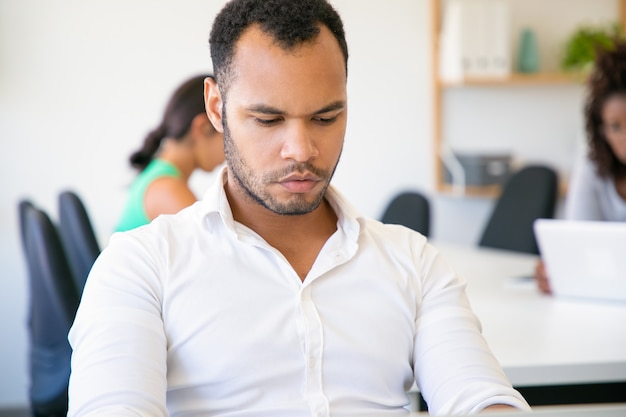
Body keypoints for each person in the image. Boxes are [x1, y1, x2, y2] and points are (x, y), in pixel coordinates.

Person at [68, 1, 531, 415]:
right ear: (216, 107)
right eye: (268, 120)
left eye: (326, 118)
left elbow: (477, 393)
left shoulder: (414, 262)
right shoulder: (138, 267)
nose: (301, 149)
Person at [535, 40, 626, 294]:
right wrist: (560, 271)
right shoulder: (592, 166)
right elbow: (579, 242)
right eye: (615, 127)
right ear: (601, 129)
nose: (624, 138)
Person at [115, 74, 225, 232]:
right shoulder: (166, 187)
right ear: (203, 127)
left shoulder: (159, 173)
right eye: (229, 137)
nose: (230, 152)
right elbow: (218, 248)